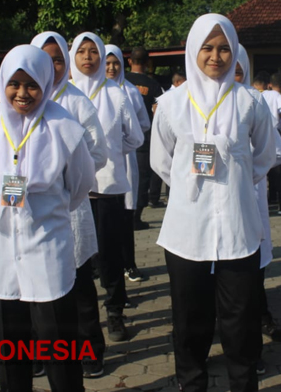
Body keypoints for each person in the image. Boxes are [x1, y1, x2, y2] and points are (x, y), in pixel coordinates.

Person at [150, 14, 276, 392]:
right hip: (187, 231)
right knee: (190, 319)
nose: (216, 56)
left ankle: (243, 382)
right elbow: (160, 160)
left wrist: (233, 184)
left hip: (238, 230)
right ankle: (191, 383)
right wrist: (194, 188)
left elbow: (264, 157)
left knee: (241, 319)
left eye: (224, 48)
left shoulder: (250, 102)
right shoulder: (171, 103)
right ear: (193, 51)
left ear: (235, 51)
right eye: (207, 47)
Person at [0, 44, 95, 392]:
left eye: (32, 85)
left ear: (46, 84)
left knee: (60, 353)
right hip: (1, 253)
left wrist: (46, 213)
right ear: (3, 82)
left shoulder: (64, 128)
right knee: (10, 355)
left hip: (47, 251)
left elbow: (80, 185)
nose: (23, 94)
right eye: (15, 84)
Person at [30, 31, 108, 378]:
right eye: (44, 59)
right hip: (31, 212)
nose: (51, 67)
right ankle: (39, 353)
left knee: (78, 286)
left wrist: (66, 176)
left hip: (70, 205)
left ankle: (90, 351)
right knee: (35, 286)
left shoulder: (77, 103)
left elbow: (98, 153)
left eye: (58, 60)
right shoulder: (21, 102)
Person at [69, 32, 144, 343]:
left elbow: (135, 137)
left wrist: (111, 155)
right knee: (77, 258)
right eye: (82, 51)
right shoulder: (64, 94)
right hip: (74, 193)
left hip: (107, 188)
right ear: (72, 56)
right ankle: (80, 318)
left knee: (110, 256)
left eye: (94, 52)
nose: (88, 57)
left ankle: (115, 313)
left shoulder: (116, 94)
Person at [236, 44, 281, 376]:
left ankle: (257, 332)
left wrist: (250, 169)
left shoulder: (254, 106)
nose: (233, 75)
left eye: (239, 71)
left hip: (250, 197)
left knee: (251, 273)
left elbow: (277, 154)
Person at [105, 44, 151, 283]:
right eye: (107, 63)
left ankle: (128, 263)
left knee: (124, 214)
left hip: (124, 156)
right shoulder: (91, 91)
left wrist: (122, 140)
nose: (111, 68)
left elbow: (143, 123)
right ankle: (100, 264)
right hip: (100, 161)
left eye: (115, 63)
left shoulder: (131, 91)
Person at [125, 46, 168, 230]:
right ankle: (136, 216)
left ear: (129, 61)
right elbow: (158, 111)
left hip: (121, 137)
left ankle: (124, 215)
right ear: (148, 62)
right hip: (144, 137)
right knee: (141, 177)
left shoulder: (122, 80)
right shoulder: (153, 85)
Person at [252, 72, 281, 215]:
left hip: (257, 134)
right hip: (275, 132)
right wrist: (279, 116)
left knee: (266, 171)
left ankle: (270, 199)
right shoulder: (278, 96)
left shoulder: (254, 96)